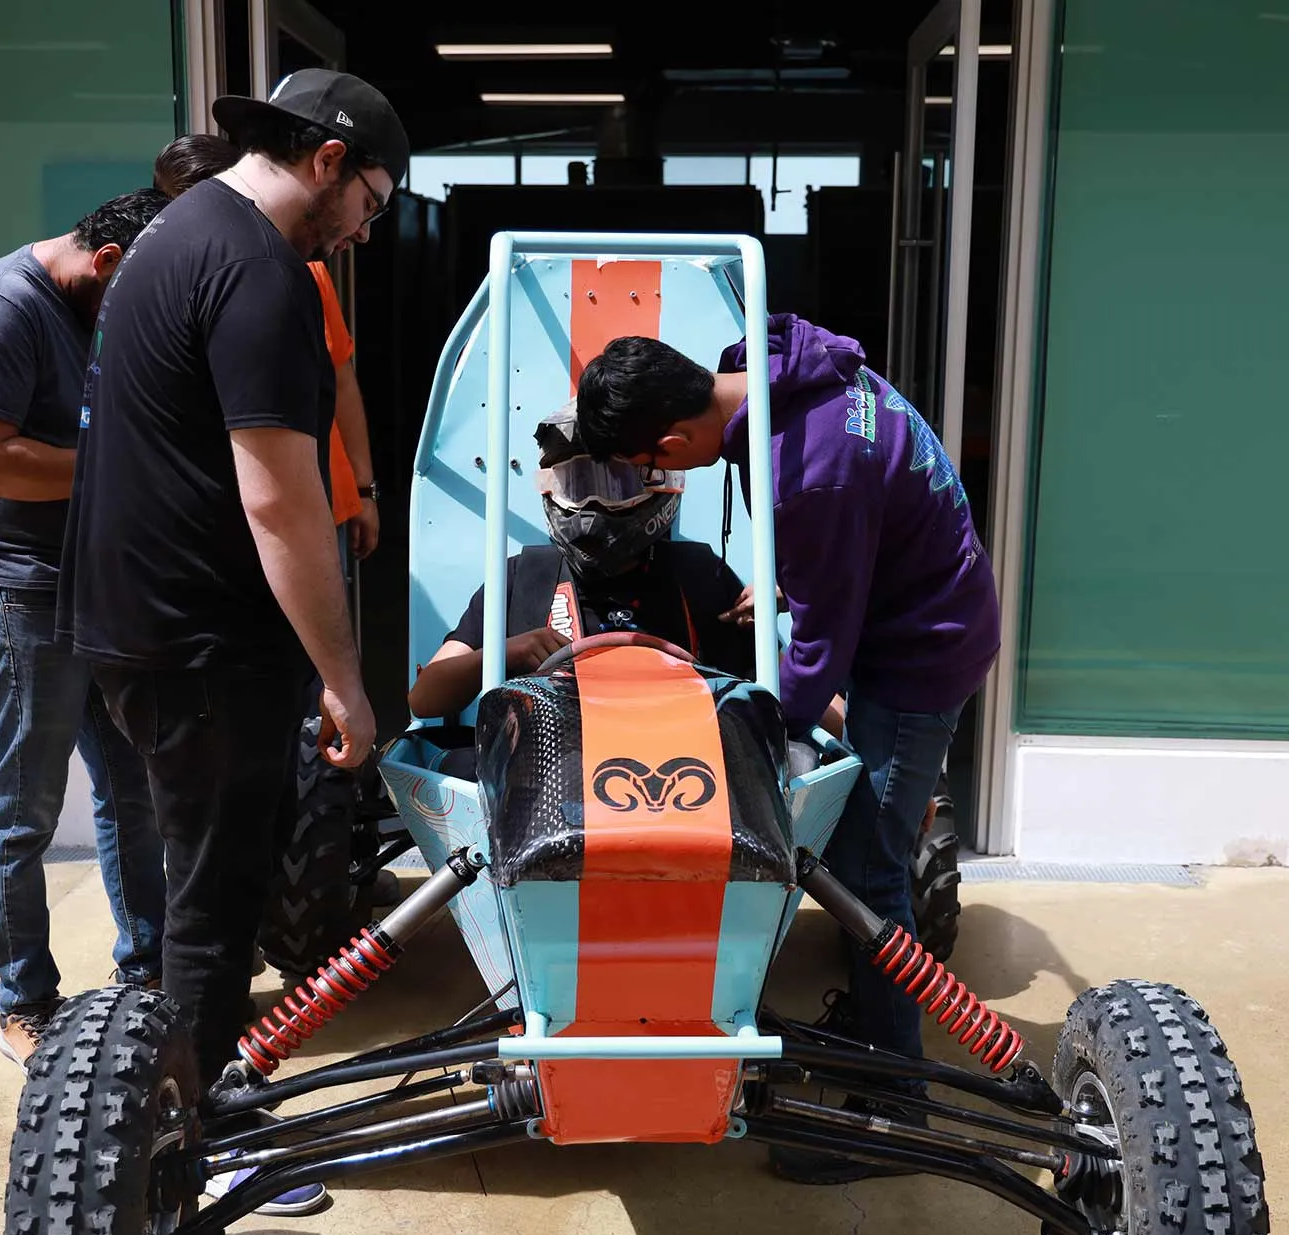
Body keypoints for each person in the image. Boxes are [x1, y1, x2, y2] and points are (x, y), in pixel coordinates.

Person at [57, 73, 406, 1214]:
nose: (365, 226)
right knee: (216, 907)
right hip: (202, 642)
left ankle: (166, 1111)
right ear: (330, 159)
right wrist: (345, 678)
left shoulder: (173, 236)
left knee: (189, 890)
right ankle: (192, 1153)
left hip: (133, 628)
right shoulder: (261, 273)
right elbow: (281, 501)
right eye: (374, 198)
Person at [575, 319, 1001, 1184]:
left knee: (872, 871)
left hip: (920, 653)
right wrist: (792, 575)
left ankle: (898, 1110)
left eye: (659, 466)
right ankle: (874, 1034)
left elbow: (822, 650)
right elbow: (844, 550)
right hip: (912, 604)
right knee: (856, 851)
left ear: (671, 440)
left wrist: (756, 746)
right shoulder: (762, 365)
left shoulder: (811, 472)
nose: (667, 480)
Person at [0, 188, 172, 1069]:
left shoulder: (81, 309)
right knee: (23, 809)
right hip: (18, 596)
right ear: (105, 260)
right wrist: (119, 469)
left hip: (92, 589)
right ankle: (25, 1002)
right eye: (133, 299)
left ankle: (148, 969)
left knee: (132, 789)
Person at [409, 403, 756, 722]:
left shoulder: (700, 576)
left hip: (682, 770)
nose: (593, 503)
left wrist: (801, 612)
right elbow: (423, 699)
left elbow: (776, 699)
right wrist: (508, 652)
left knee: (797, 757)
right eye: (577, 484)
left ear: (658, 485)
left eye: (615, 483)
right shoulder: (521, 578)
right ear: (551, 488)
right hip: (549, 778)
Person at [152, 133, 382, 563]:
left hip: (309, 494)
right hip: (212, 511)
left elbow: (340, 378)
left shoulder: (299, 272)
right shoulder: (160, 275)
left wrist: (363, 489)